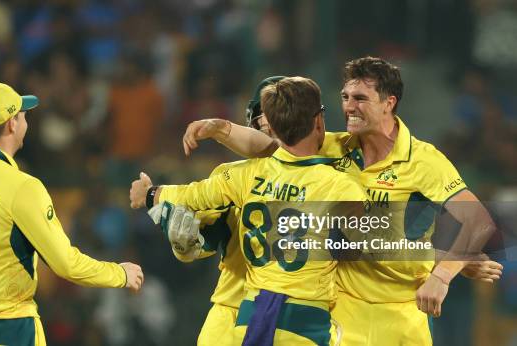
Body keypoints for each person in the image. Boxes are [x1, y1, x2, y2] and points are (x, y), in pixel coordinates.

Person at [180, 57, 502, 345]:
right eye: (346, 97)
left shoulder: (424, 161)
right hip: (342, 311)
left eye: (361, 98)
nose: (349, 107)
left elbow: (477, 221)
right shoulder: (335, 147)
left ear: (389, 103)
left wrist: (442, 274)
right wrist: (220, 129)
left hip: (404, 313)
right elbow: (269, 147)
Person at [132, 76, 369, 345]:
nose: (267, 130)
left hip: (256, 309)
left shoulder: (238, 178)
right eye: (261, 124)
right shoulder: (338, 178)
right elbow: (201, 243)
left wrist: (153, 197)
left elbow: (185, 199)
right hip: (250, 308)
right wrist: (183, 241)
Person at [0, 82, 144, 346]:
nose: (26, 120)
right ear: (12, 124)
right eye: (23, 114)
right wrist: (119, 274)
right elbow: (65, 263)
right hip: (11, 328)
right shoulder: (22, 186)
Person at [145, 76, 285, 346]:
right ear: (253, 123)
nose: (273, 124)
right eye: (266, 116)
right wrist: (185, 244)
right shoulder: (232, 177)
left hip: (297, 314)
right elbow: (204, 241)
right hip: (235, 309)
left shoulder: (327, 174)